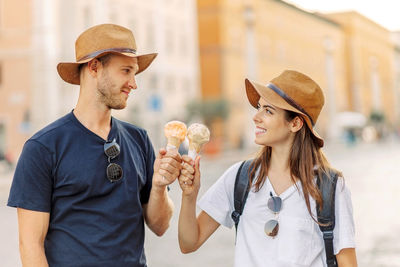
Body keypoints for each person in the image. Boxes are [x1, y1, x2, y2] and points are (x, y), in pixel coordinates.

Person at [7, 24, 182, 267]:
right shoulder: (43, 147)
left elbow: (160, 225)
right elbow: (30, 245)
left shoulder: (139, 139)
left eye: (135, 73)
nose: (134, 83)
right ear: (94, 67)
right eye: (126, 71)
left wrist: (159, 187)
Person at [178, 70, 357, 267]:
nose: (256, 117)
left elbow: (348, 262)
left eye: (268, 111)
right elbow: (189, 243)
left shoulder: (331, 187)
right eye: (258, 108)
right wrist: (189, 195)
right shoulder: (240, 177)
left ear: (295, 123)